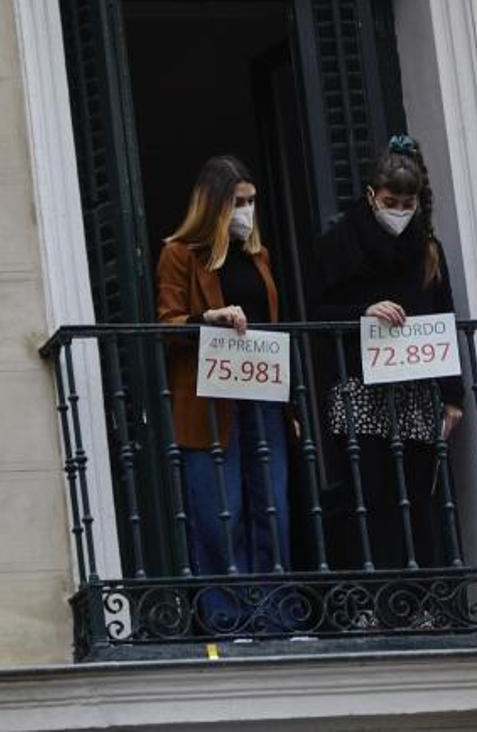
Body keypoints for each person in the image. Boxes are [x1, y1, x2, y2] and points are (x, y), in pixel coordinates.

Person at [312, 135, 464, 577]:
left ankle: (421, 596)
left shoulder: (428, 250)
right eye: (390, 202)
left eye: (406, 203)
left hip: (416, 390)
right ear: (371, 196)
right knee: (368, 494)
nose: (398, 210)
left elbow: (444, 316)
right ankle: (373, 595)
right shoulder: (339, 243)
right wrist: (364, 311)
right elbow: (317, 314)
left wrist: (453, 397)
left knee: (418, 494)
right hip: (360, 388)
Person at [156, 155, 291, 631]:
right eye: (238, 203)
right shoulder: (179, 254)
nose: (247, 212)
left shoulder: (259, 256)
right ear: (214, 206)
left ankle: (274, 617)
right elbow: (167, 325)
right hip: (208, 403)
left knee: (272, 507)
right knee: (219, 512)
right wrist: (206, 320)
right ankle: (227, 620)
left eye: (251, 202)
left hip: (261, 394)